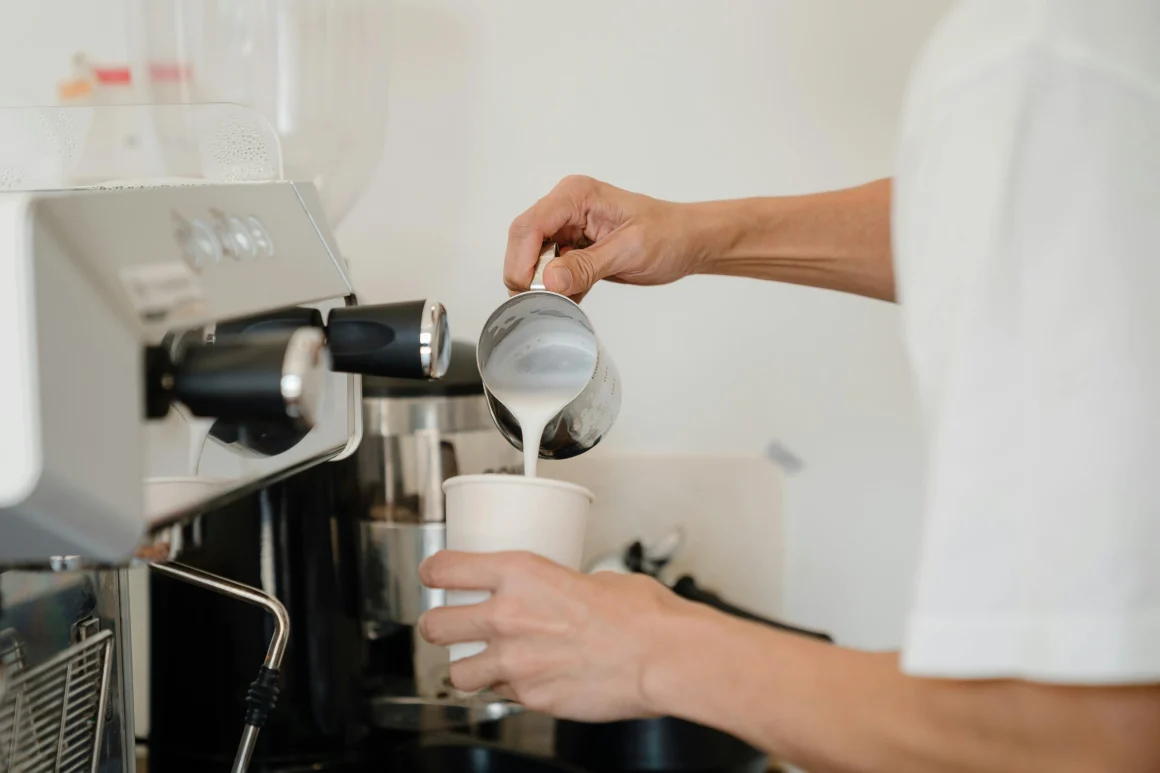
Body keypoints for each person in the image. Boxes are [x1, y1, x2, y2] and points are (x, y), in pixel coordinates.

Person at [417, 1, 1160, 770]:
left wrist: (649, 651)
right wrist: (698, 233)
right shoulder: (1104, 44)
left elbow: (1082, 738)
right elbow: (1000, 225)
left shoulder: (1042, 60)